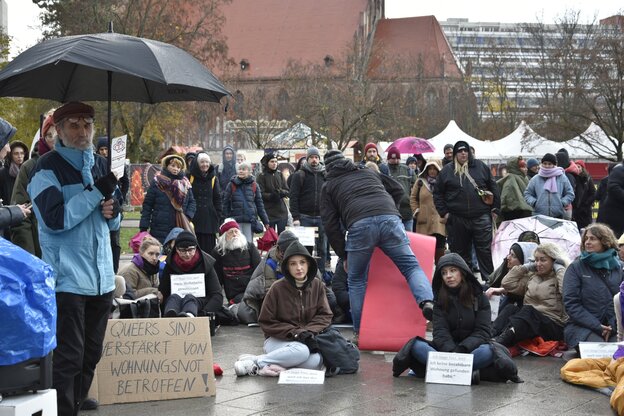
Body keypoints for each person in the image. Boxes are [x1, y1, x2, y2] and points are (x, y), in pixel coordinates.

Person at [27, 101, 121, 415]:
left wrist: (113, 212)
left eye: (87, 125)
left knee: (91, 352)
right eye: (74, 125)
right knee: (69, 354)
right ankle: (62, 408)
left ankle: (78, 400)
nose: (82, 131)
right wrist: (96, 194)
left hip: (101, 277)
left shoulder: (99, 164)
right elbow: (55, 218)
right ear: (59, 130)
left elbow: (110, 221)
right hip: (67, 277)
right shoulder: (47, 166)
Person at [320, 149, 434, 340]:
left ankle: (360, 332)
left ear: (327, 168)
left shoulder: (329, 186)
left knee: (356, 280)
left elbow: (330, 225)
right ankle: (427, 301)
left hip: (359, 225)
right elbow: (398, 190)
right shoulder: (367, 171)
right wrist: (389, 210)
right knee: (411, 267)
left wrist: (344, 254)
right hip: (390, 219)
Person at [234, 241, 333, 377]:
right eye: (293, 263)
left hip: (306, 338)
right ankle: (255, 362)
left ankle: (274, 365)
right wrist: (296, 333)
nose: (299, 268)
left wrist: (307, 332)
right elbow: (266, 321)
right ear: (287, 266)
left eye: (302, 262)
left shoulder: (317, 285)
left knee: (314, 361)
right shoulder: (277, 288)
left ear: (308, 264)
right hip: (278, 339)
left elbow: (325, 315)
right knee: (302, 352)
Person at [407, 253, 493, 380]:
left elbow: (483, 332)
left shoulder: (480, 298)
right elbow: (440, 332)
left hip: (470, 350)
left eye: (453, 271)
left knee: (488, 351)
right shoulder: (438, 301)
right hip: (445, 352)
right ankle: (467, 373)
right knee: (415, 346)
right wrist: (451, 353)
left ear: (462, 272)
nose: (448, 276)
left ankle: (442, 371)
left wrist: (462, 350)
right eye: (444, 273)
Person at [433, 140, 500, 280]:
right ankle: (465, 281)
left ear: (469, 152)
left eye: (465, 150)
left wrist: (495, 209)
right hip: (457, 218)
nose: (463, 153)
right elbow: (437, 193)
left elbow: (493, 187)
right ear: (455, 154)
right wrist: (444, 212)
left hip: (481, 216)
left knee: (484, 251)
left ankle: (489, 282)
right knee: (460, 253)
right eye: (460, 151)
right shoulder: (447, 170)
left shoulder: (481, 167)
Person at [494, 243, 570, 346]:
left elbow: (567, 292)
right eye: (536, 260)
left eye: (543, 260)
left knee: (528, 310)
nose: (538, 264)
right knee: (510, 308)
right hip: (528, 321)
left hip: (552, 324)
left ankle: (502, 340)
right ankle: (491, 334)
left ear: (554, 261)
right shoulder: (533, 277)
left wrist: (560, 269)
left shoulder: (559, 277)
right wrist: (526, 267)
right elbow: (507, 283)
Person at [563, 224, 622, 349]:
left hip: (614, 327)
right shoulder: (576, 267)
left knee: (617, 356)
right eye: (586, 239)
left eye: (593, 238)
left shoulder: (619, 268)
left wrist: (613, 327)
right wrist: (597, 326)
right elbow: (571, 303)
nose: (587, 242)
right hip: (582, 327)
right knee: (597, 353)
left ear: (605, 241)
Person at [11, 114, 56, 257]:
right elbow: (22, 216)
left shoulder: (80, 167)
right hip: (40, 250)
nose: (54, 141)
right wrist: (30, 258)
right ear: (43, 138)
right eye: (49, 135)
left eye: (58, 135)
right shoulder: (30, 168)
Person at [159, 231, 223, 317]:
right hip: (175, 301)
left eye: (190, 250)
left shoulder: (206, 264)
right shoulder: (170, 264)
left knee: (190, 298)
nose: (187, 254)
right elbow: (163, 291)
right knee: (173, 298)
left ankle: (189, 315)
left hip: (200, 305)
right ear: (176, 249)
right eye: (182, 251)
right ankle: (170, 315)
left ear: (196, 248)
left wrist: (205, 312)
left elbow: (217, 295)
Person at [139, 154, 196, 244]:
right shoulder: (157, 182)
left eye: (178, 167)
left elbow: (192, 202)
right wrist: (144, 226)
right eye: (173, 166)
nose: (175, 169)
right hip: (160, 226)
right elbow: (147, 205)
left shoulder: (185, 183)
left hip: (180, 224)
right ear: (166, 166)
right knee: (160, 254)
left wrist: (188, 216)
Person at [289, 147, 328, 273]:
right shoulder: (300, 175)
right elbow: (293, 197)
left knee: (322, 248)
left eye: (316, 157)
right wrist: (295, 217)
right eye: (311, 157)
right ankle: (307, 273)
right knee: (306, 249)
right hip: (305, 217)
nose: (314, 160)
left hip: (322, 217)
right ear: (307, 159)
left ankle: (321, 273)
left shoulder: (325, 174)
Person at [487, 242, 537, 335]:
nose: (508, 257)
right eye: (509, 253)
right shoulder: (509, 269)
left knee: (509, 307)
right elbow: (493, 281)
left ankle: (491, 332)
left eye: (513, 256)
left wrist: (524, 267)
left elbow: (506, 284)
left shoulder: (529, 277)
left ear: (523, 261)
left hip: (521, 316)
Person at [211, 218, 261, 304]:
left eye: (236, 231)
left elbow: (259, 272)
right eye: (230, 232)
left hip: (251, 289)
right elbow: (217, 278)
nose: (234, 234)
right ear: (224, 237)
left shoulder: (250, 248)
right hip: (232, 293)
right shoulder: (218, 252)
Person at [222, 161, 270, 242]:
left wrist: (266, 221)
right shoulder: (231, 185)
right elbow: (225, 203)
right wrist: (225, 220)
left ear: (249, 171)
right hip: (235, 221)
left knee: (248, 244)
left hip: (249, 221)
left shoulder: (254, 185)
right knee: (236, 243)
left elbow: (259, 205)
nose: (241, 171)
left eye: (243, 169)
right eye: (239, 169)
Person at [410, 159, 446, 264]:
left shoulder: (443, 182)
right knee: (424, 252)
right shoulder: (420, 182)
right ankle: (425, 277)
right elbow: (412, 198)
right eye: (430, 168)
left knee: (440, 250)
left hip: (439, 221)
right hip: (423, 221)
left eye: (435, 169)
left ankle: (439, 275)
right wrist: (416, 210)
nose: (432, 171)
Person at [188, 152, 222, 254]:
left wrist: (218, 215)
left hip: (209, 219)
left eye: (207, 162)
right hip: (194, 217)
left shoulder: (213, 178)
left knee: (209, 250)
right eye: (202, 162)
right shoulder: (190, 176)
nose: (205, 165)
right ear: (197, 164)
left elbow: (217, 198)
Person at [523, 153, 574, 219]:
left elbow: (570, 194)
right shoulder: (535, 179)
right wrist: (534, 203)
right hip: (539, 216)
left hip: (558, 216)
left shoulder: (562, 177)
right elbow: (527, 194)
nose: (547, 166)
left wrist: (562, 203)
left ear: (554, 165)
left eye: (549, 164)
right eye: (545, 163)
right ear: (542, 164)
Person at [118, 236, 163, 301]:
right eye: (151, 254)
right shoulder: (130, 270)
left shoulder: (153, 268)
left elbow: (157, 288)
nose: (154, 258)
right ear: (141, 253)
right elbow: (128, 295)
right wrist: (153, 291)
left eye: (157, 254)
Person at [256, 152, 289, 233]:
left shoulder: (279, 174)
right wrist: (271, 196)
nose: (274, 164)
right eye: (272, 161)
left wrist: (281, 192)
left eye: (275, 161)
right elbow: (260, 193)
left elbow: (287, 190)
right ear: (267, 163)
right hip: (269, 212)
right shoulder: (262, 176)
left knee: (282, 236)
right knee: (271, 238)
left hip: (282, 212)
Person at [386, 146, 415, 231]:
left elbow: (416, 186)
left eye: (397, 158)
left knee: (409, 239)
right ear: (388, 159)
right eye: (392, 158)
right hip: (391, 212)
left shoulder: (408, 171)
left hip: (407, 212)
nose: (395, 160)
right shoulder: (384, 170)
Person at [497, 156, 532, 222]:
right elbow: (510, 203)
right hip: (516, 215)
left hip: (522, 214)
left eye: (525, 166)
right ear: (515, 168)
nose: (526, 169)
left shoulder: (524, 178)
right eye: (523, 167)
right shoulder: (511, 180)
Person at [572, 160, 596, 230]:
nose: (577, 168)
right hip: (575, 211)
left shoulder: (587, 179)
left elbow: (593, 193)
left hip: (585, 211)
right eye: (576, 166)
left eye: (579, 167)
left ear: (583, 168)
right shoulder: (573, 178)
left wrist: (586, 204)